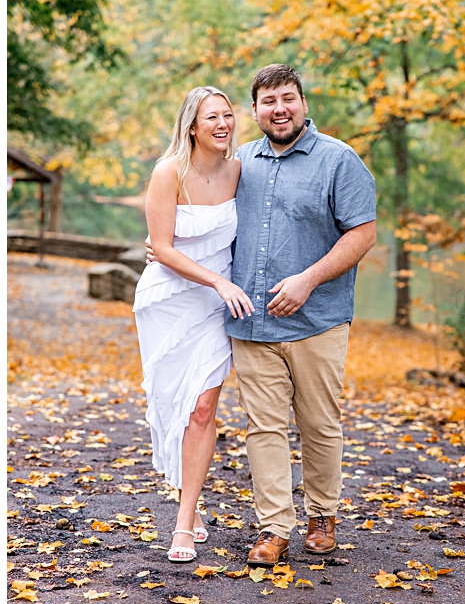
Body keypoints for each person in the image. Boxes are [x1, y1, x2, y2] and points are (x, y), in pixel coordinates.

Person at [225, 65, 377, 563]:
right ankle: (273, 528)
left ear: (304, 103)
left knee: (318, 423)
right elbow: (202, 215)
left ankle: (322, 515)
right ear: (255, 111)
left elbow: (362, 234)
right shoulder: (238, 161)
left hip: (318, 320)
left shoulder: (339, 160)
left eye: (287, 98)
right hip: (252, 321)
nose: (279, 109)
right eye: (268, 102)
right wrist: (160, 244)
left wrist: (308, 280)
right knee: (263, 427)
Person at [135, 86, 256, 563]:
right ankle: (190, 493)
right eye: (213, 118)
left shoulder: (241, 169)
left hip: (213, 306)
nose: (223, 124)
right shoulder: (169, 172)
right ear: (192, 125)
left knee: (203, 406)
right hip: (168, 299)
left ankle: (184, 521)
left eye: (228, 116)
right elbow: (162, 248)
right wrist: (215, 281)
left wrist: (224, 286)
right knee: (171, 402)